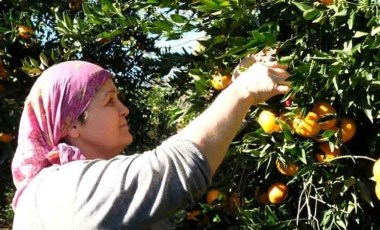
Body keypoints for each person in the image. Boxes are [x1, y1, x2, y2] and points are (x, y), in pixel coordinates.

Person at [11, 55, 290, 229]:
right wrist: (243, 92)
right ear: (70, 124)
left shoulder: (67, 183)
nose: (124, 109)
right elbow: (177, 168)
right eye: (110, 101)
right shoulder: (58, 189)